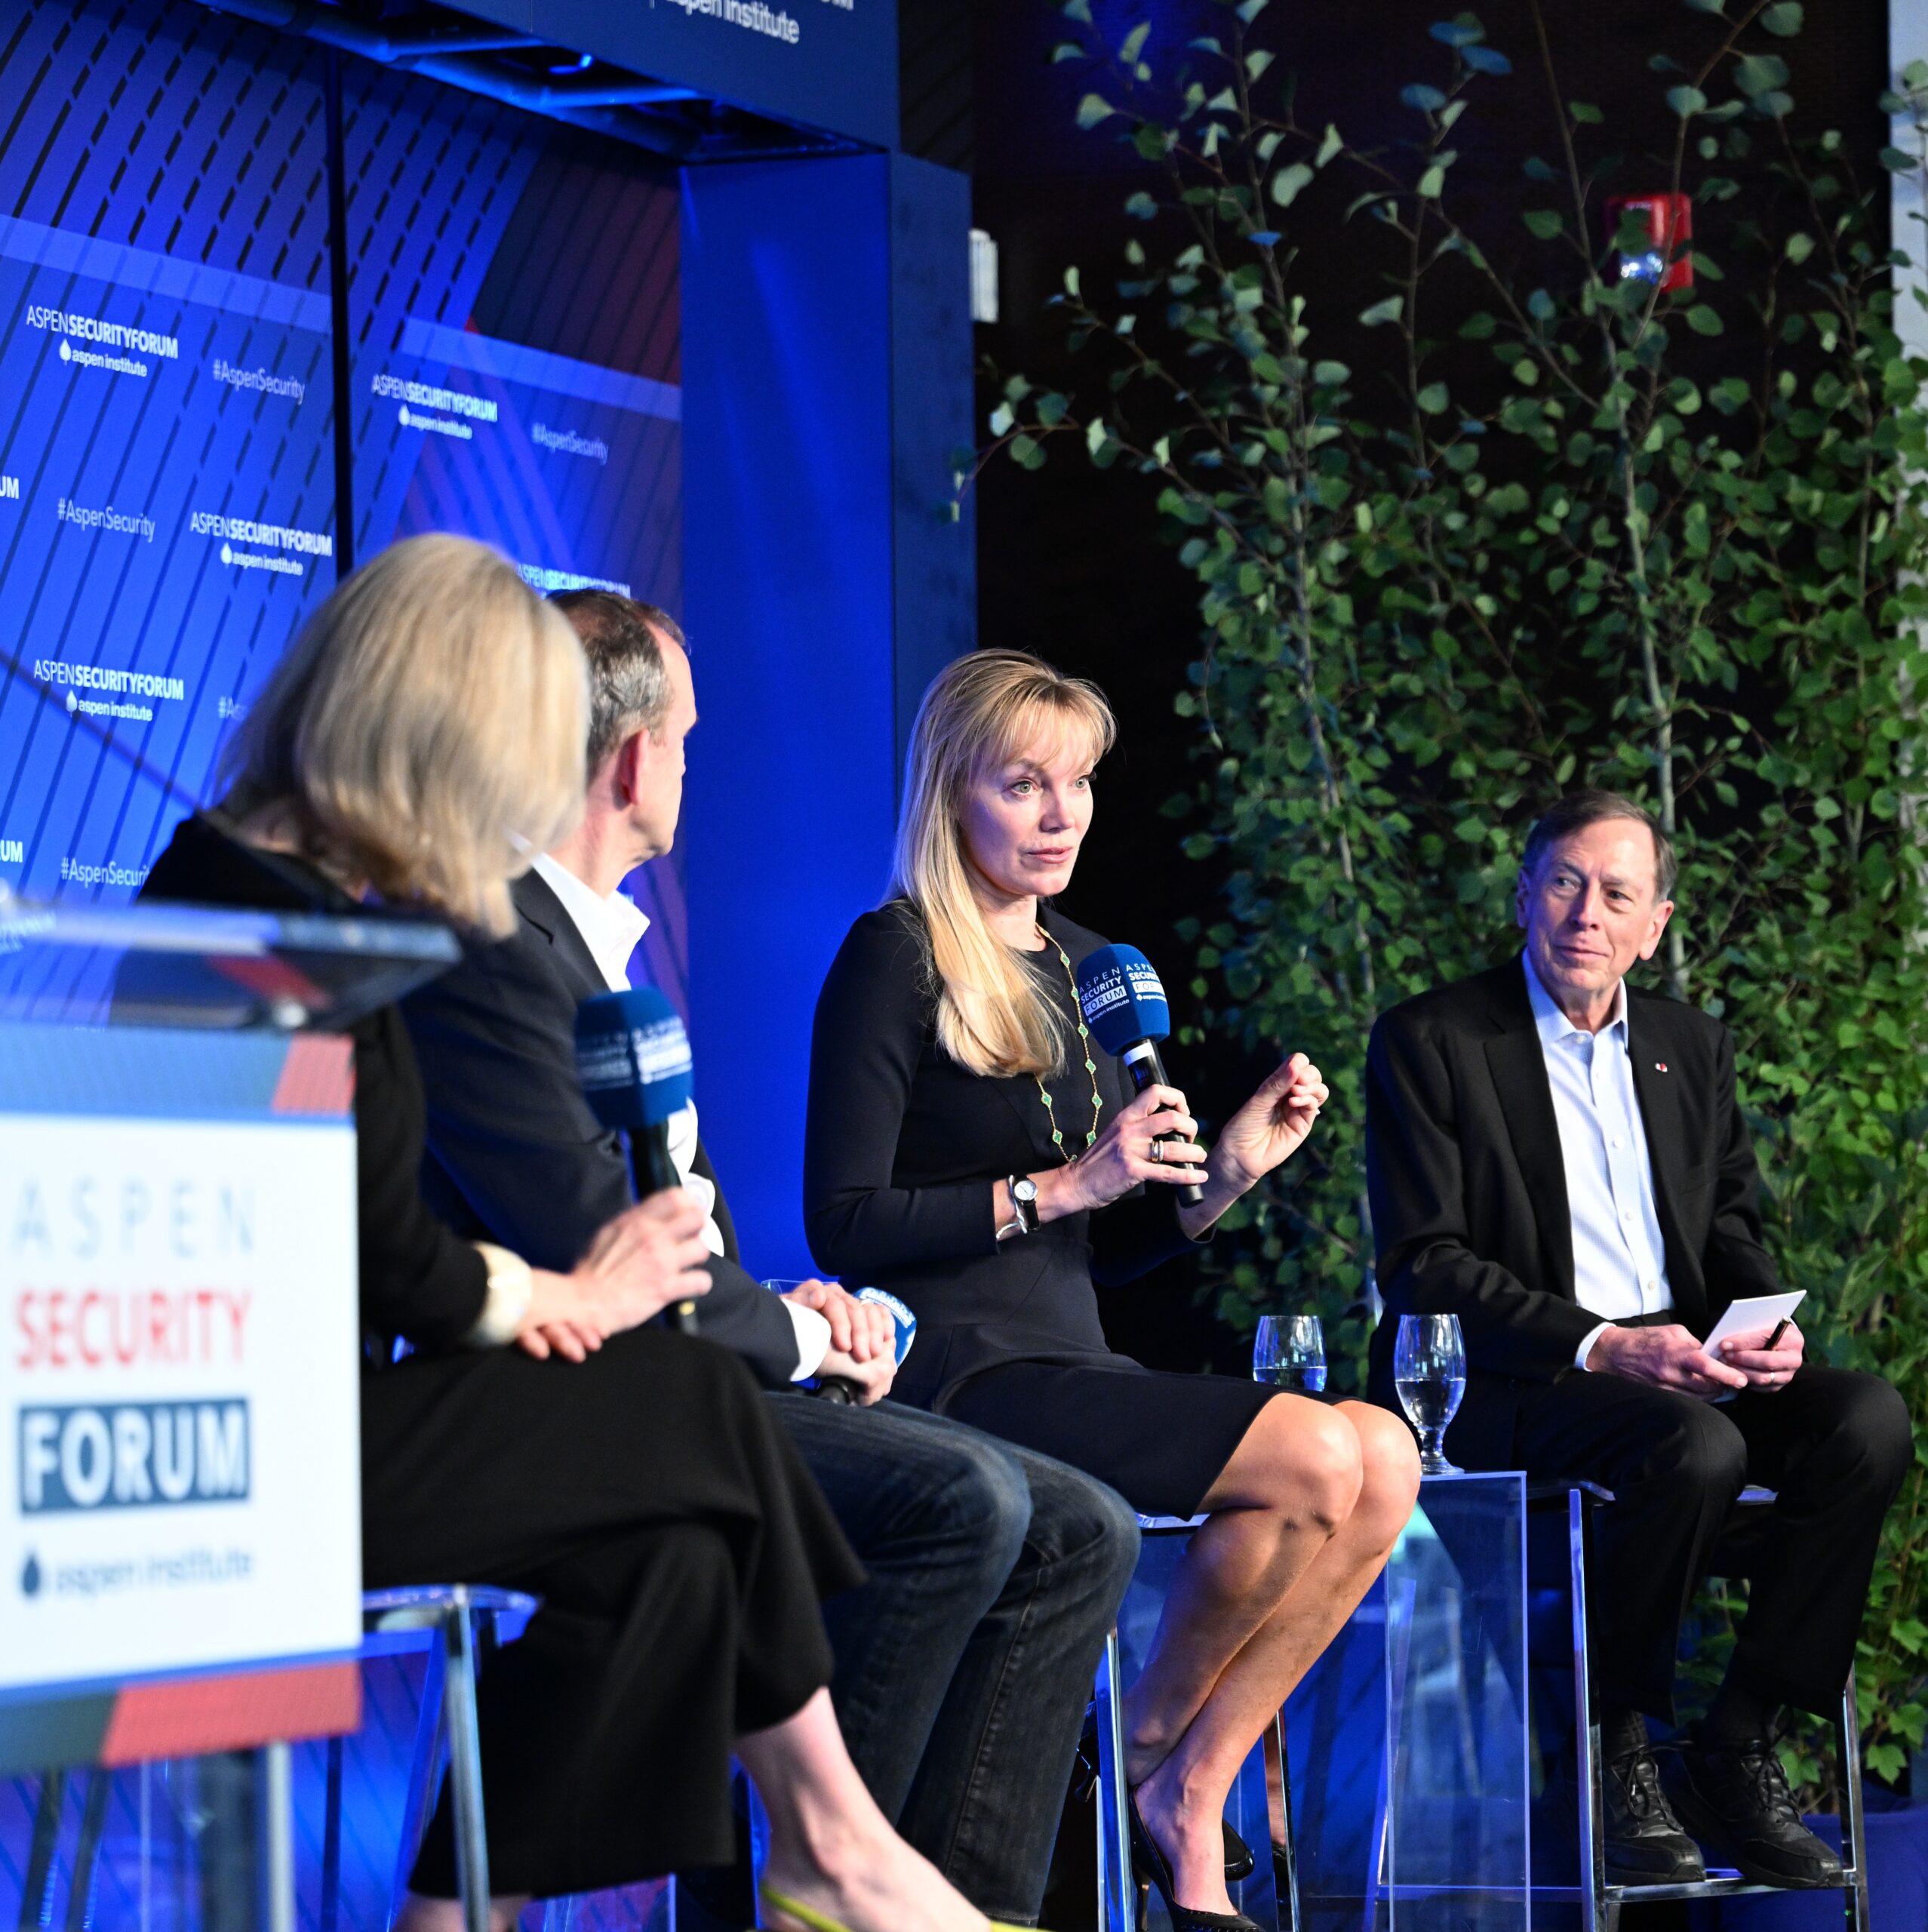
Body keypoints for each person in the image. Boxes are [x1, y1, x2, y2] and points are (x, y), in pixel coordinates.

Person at [138, 535, 1028, 1932]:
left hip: (317, 1414)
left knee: (669, 1552)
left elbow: (374, 1239)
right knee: (680, 1401)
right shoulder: (250, 905)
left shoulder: (298, 894)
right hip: (225, 1450)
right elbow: (373, 1255)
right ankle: (832, 1844)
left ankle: (473, 1917)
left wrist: (559, 1294)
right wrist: (560, 1294)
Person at [398, 590, 1141, 1928]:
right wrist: (804, 1334)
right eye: (688, 740)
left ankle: (949, 1899)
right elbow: (597, 1246)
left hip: (690, 1372)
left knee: (1085, 1527)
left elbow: (677, 1232)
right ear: (634, 760)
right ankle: (826, 1879)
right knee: (963, 1498)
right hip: (575, 1395)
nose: (696, 766)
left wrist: (793, 1309)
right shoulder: (493, 950)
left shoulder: (601, 952)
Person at [803, 649, 1421, 1932]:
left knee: (1383, 1455)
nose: (1061, 815)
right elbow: (843, 1220)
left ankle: (1184, 1784)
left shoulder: (1090, 967)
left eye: (1078, 783)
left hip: (1072, 1356)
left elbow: (1105, 1246)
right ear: (952, 792)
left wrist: (1225, 1173)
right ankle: (1128, 1760)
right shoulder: (895, 956)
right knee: (1314, 1453)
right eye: (1024, 784)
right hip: (956, 1372)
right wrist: (1060, 1188)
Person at [1364, 787, 1913, 1890]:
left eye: (1618, 895)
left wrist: (1769, 1329)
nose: (1587, 914)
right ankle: (1612, 1748)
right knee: (1697, 1449)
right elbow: (1426, 1265)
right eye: (1566, 884)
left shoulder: (1687, 1046)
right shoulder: (1434, 1039)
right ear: (1524, 895)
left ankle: (1736, 1742)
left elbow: (1730, 1233)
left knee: (1867, 1420)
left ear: (1654, 924)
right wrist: (1606, 1346)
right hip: (1529, 1369)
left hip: (1683, 1358)